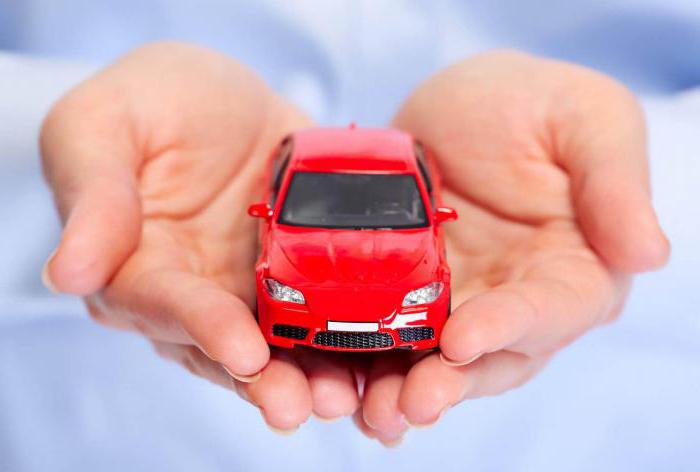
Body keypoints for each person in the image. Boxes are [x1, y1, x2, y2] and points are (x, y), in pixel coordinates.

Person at [1, 1, 698, 470]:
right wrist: (61, 170)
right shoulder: (279, 222)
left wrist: (634, 185)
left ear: (439, 211)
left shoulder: (426, 223)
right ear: (264, 210)